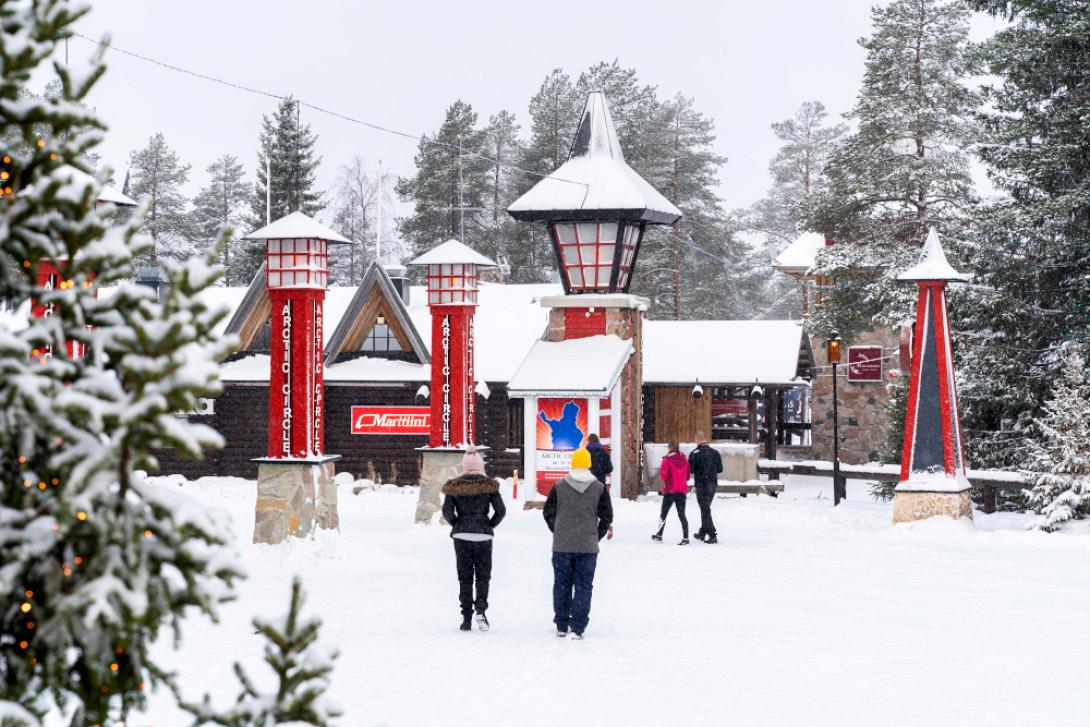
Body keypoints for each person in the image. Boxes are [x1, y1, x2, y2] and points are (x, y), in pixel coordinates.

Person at [543, 448, 613, 640]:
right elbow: (607, 516)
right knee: (584, 586)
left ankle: (562, 624)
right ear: (589, 464)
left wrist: (557, 529)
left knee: (561, 584)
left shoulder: (559, 486)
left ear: (572, 464)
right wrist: (595, 535)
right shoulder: (599, 487)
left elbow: (547, 512)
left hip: (562, 545)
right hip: (587, 546)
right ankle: (578, 627)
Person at [442, 446, 506, 632]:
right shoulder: (490, 485)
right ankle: (480, 608)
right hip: (483, 535)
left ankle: (466, 617)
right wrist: (489, 525)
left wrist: (457, 524)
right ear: (480, 465)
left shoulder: (454, 486)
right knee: (483, 575)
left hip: (461, 536)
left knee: (465, 577)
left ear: (464, 465)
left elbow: (447, 511)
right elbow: (501, 511)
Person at [688, 432, 723, 544]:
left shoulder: (694, 453)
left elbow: (691, 470)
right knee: (705, 508)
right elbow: (720, 469)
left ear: (697, 440)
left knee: (705, 509)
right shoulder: (715, 453)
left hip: (701, 485)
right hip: (712, 484)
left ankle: (712, 534)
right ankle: (703, 531)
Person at [653, 441, 690, 545]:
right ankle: (686, 538)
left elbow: (663, 476)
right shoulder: (684, 459)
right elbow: (687, 476)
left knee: (663, 514)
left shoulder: (667, 460)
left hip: (670, 490)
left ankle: (659, 535)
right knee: (682, 514)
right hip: (681, 491)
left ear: (670, 448)